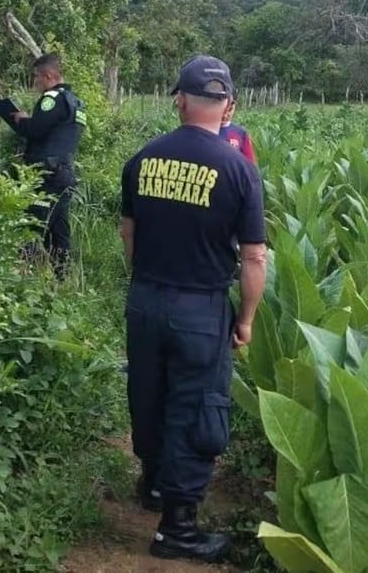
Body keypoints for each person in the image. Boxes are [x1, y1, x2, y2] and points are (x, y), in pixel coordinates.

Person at [119, 55, 267, 563]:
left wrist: (147, 279)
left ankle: (154, 485)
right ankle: (177, 530)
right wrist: (244, 320)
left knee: (149, 391)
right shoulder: (240, 169)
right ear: (227, 105)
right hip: (200, 307)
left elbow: (130, 235)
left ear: (178, 99)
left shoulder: (142, 159)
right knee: (195, 406)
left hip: (146, 298)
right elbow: (253, 256)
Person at [8, 53, 87, 279]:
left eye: (36, 78)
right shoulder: (75, 102)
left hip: (48, 176)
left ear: (49, 75)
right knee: (58, 231)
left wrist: (22, 119)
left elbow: (35, 131)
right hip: (64, 174)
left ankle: (24, 280)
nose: (35, 83)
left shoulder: (51, 98)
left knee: (31, 227)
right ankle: (61, 280)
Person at [218, 89, 257, 165]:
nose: (226, 114)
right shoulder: (205, 131)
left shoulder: (240, 133)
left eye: (230, 109)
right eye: (222, 109)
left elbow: (250, 164)